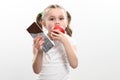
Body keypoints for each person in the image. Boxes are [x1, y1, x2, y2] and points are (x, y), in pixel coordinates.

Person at [32, 4, 78, 80]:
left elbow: (74, 65)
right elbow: (36, 70)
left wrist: (65, 41)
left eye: (61, 18)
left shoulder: (70, 41)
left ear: (66, 22)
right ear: (44, 24)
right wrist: (39, 51)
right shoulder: (39, 41)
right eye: (52, 19)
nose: (57, 22)